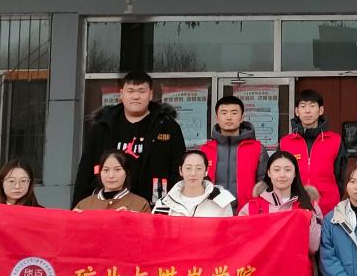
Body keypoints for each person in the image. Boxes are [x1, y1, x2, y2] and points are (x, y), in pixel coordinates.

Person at [73, 71, 186, 206]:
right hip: (107, 206)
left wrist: (176, 206)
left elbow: (178, 171)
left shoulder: (167, 126)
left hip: (155, 205)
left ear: (150, 94)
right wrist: (77, 208)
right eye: (130, 91)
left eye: (141, 91)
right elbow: (85, 171)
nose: (136, 96)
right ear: (121, 94)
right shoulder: (103, 126)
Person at [280, 88, 348, 215]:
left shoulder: (335, 140)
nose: (307, 110)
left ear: (320, 110)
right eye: (303, 106)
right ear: (297, 111)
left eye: (312, 106)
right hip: (295, 207)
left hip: (328, 208)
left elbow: (341, 177)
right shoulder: (285, 143)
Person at [198, 95, 268, 213]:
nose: (229, 117)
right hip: (212, 213)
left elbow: (266, 183)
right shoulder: (205, 150)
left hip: (247, 213)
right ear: (217, 118)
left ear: (242, 118)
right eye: (224, 113)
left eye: (234, 113)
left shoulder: (257, 149)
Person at [73, 149, 151, 214]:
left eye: (117, 170)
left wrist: (133, 218)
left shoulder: (140, 205)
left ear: (126, 173)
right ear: (100, 172)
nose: (111, 175)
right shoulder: (84, 205)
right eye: (106, 170)